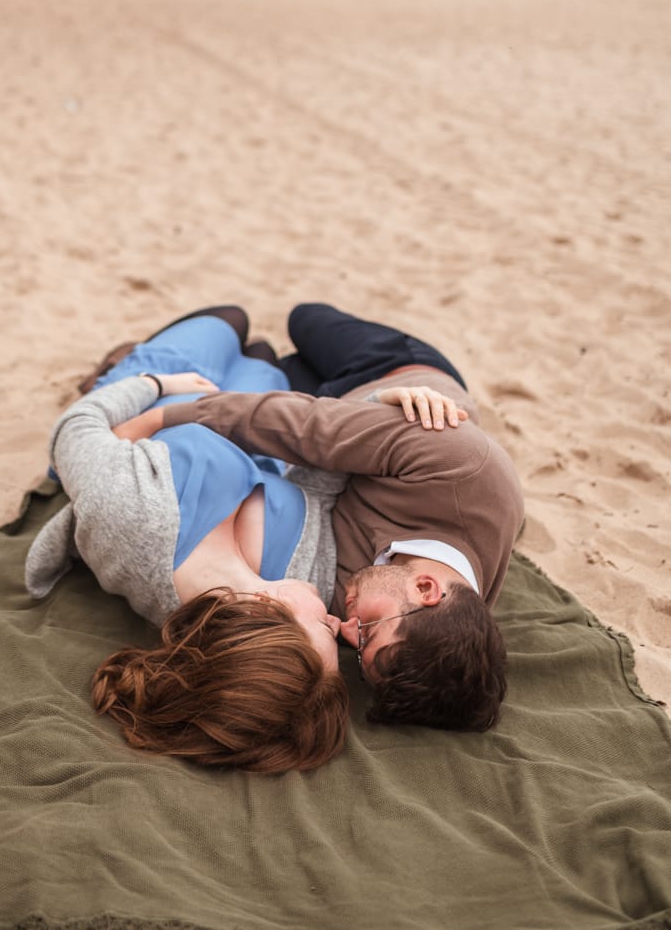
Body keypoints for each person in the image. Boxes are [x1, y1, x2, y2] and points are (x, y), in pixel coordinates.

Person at [158, 304, 526, 733]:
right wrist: (156, 420)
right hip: (389, 376)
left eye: (359, 651)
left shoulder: (416, 625)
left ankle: (258, 359)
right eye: (368, 631)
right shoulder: (461, 467)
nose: (345, 629)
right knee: (303, 319)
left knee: (266, 360)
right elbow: (301, 427)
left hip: (339, 425)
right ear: (426, 588)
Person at [24, 308, 350, 773]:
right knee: (267, 358)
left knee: (231, 322)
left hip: (159, 403)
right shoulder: (305, 573)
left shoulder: (134, 519)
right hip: (254, 425)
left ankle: (117, 371)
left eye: (325, 630)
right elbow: (323, 479)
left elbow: (77, 427)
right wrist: (384, 405)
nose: (339, 624)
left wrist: (159, 391)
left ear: (260, 612)